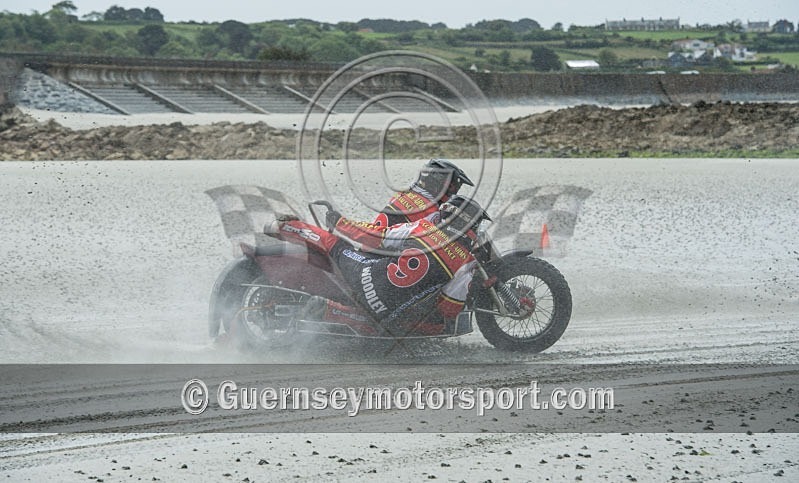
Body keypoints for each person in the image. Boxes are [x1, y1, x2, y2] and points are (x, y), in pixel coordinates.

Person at [269, 195, 491, 335]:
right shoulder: (467, 261)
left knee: (334, 243)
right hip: (390, 310)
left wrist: (339, 222)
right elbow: (449, 309)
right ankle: (336, 312)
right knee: (433, 323)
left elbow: (374, 236)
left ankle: (285, 227)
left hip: (365, 277)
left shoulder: (422, 229)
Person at [373, 158, 474, 227]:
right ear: (438, 183)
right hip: (390, 253)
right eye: (452, 188)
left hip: (374, 241)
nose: (453, 193)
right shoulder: (432, 211)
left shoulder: (404, 193)